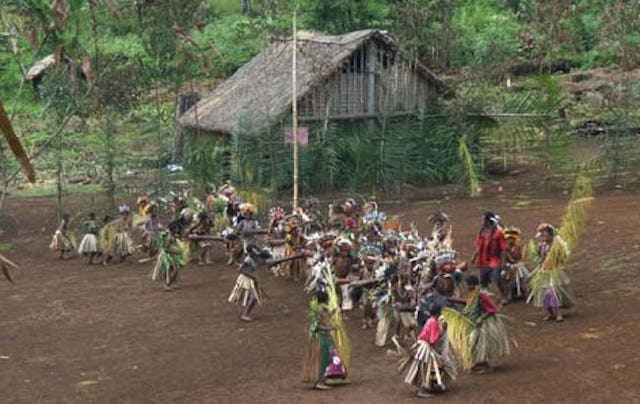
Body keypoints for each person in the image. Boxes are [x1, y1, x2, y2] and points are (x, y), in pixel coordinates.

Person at [401, 303, 456, 398]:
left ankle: (431, 386)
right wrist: (442, 330)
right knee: (428, 368)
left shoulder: (430, 320)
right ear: (439, 312)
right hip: (425, 347)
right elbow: (432, 340)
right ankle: (423, 390)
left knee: (427, 368)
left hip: (422, 344)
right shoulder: (434, 322)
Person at [459, 275, 511, 373]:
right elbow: (468, 304)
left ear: (474, 285)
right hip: (475, 322)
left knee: (483, 344)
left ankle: (486, 366)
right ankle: (479, 363)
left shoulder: (481, 295)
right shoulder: (471, 294)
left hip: (484, 322)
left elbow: (493, 309)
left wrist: (481, 318)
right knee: (474, 343)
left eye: (470, 285)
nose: (468, 287)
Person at [302, 287, 348, 390]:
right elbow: (318, 326)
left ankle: (320, 379)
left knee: (322, 359)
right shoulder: (320, 310)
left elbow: (323, 319)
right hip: (321, 338)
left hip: (321, 337)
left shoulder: (317, 309)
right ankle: (320, 381)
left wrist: (334, 312)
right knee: (322, 359)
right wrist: (332, 328)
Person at [529, 222, 572, 322]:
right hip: (544, 271)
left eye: (545, 234)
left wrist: (554, 259)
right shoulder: (541, 245)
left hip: (554, 271)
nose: (543, 236)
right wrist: (541, 261)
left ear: (550, 234)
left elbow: (561, 257)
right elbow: (540, 257)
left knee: (553, 291)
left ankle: (558, 313)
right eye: (541, 234)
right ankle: (549, 313)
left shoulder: (556, 245)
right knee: (544, 292)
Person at [471, 211, 508, 304]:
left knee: (497, 278)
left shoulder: (498, 233)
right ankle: (485, 297)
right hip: (483, 260)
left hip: (495, 259)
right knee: (483, 280)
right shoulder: (482, 232)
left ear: (488, 220)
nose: (481, 221)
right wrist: (474, 256)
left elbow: (503, 249)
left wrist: (503, 264)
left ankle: (504, 296)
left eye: (483, 219)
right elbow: (479, 246)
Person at [227, 244, 271, 322]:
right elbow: (240, 270)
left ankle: (246, 312)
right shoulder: (248, 259)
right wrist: (252, 276)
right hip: (246, 279)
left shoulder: (254, 257)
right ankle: (245, 314)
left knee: (253, 297)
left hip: (251, 278)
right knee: (254, 297)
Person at [151, 221, 186, 291]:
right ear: (173, 229)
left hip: (171, 255)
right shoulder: (169, 237)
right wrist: (176, 251)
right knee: (175, 269)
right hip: (167, 255)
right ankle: (167, 285)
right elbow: (166, 248)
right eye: (176, 228)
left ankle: (171, 283)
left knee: (173, 270)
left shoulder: (171, 234)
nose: (178, 229)